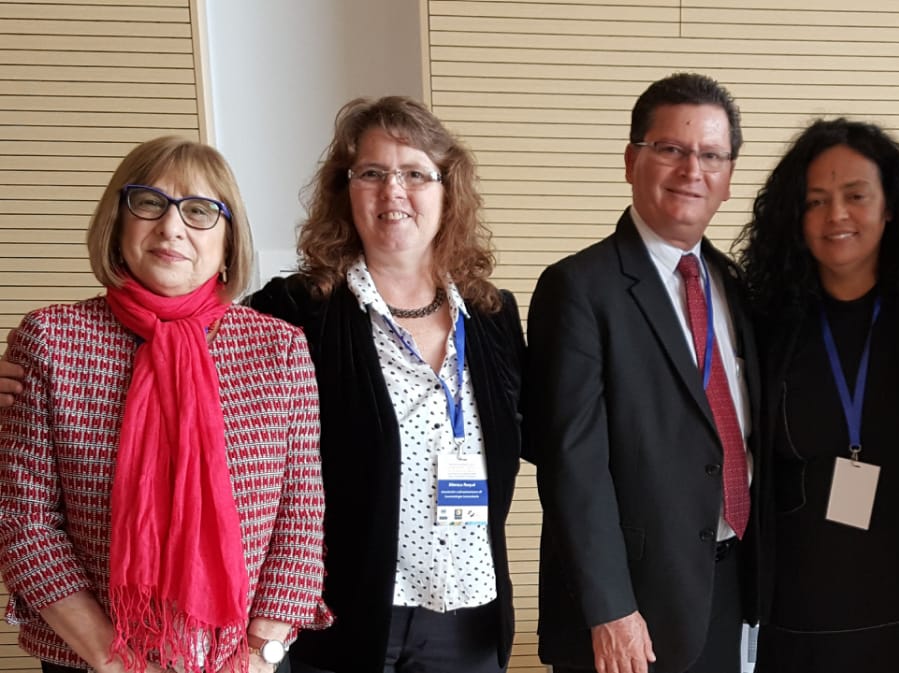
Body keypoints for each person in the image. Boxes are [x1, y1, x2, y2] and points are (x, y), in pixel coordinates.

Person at [0, 136, 330, 673]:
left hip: (244, 662)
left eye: (200, 211)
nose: (172, 226)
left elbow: (301, 514)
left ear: (228, 240)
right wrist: (114, 660)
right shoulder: (51, 340)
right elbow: (23, 518)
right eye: (150, 202)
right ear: (118, 220)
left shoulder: (279, 347)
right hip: (93, 661)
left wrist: (259, 652)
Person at [246, 97, 526, 673]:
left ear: (448, 191)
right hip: (340, 617)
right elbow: (189, 368)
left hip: (468, 614)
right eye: (371, 173)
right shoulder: (296, 311)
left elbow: (555, 425)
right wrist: (36, 380)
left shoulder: (493, 316)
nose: (393, 191)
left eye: (416, 174)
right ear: (344, 191)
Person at [526, 72, 759, 673]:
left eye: (711, 155)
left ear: (729, 178)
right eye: (671, 150)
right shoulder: (579, 288)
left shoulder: (735, 286)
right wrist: (610, 610)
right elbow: (572, 463)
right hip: (632, 609)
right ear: (632, 160)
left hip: (726, 584)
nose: (691, 170)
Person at [736, 119, 899, 672]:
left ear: (890, 205)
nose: (836, 216)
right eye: (815, 201)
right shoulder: (767, 317)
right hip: (803, 613)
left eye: (855, 196)